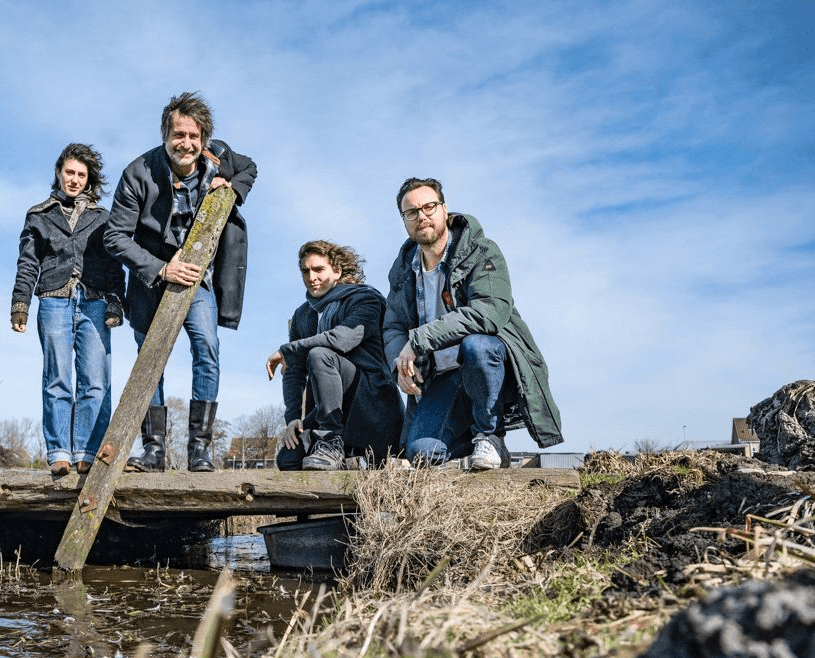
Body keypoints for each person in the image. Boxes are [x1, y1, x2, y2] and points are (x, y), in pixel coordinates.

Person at [104, 92, 257, 472]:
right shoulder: (137, 173)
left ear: (203, 138)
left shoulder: (219, 156)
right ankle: (154, 451)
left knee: (207, 349)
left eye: (193, 135)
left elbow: (250, 167)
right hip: (150, 281)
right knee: (150, 359)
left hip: (199, 280)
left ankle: (199, 449)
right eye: (178, 135)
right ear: (165, 135)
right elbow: (114, 236)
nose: (186, 143)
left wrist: (234, 188)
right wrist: (160, 268)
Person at [383, 177, 563, 469]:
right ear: (404, 219)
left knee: (477, 345)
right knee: (421, 454)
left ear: (444, 209)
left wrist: (417, 341)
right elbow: (392, 326)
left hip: (489, 366)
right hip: (443, 377)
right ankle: (465, 442)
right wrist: (398, 365)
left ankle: (490, 436)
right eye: (411, 212)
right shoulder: (404, 269)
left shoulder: (481, 251)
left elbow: (489, 311)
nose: (422, 216)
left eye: (429, 207)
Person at [10, 143, 126, 478]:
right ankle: (59, 452)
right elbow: (27, 263)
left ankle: (87, 452)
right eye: (69, 172)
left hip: (94, 300)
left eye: (81, 174)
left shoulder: (103, 219)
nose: (74, 179)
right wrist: (21, 304)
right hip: (53, 300)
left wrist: (116, 300)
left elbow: (114, 263)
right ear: (59, 173)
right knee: (57, 378)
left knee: (95, 381)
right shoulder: (38, 215)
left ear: (89, 180)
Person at [267, 241, 403, 470]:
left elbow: (341, 339)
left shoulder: (365, 299)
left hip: (370, 403)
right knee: (288, 460)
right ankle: (348, 461)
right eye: (305, 271)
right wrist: (292, 418)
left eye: (319, 269)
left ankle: (332, 443)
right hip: (326, 408)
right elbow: (294, 371)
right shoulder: (303, 315)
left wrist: (288, 350)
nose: (311, 277)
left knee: (320, 354)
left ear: (337, 271)